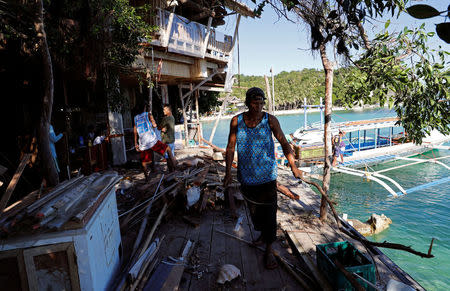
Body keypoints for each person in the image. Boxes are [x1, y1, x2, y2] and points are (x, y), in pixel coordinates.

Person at [223, 87, 303, 270]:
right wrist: (228, 172)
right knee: (254, 213)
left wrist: (293, 166)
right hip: (246, 177)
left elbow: (284, 143)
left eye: (261, 103)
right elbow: (230, 147)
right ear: (247, 103)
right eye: (254, 103)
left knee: (269, 213)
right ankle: (262, 235)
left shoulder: (270, 120)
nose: (258, 107)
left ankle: (269, 249)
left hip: (267, 177)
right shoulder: (236, 121)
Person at [134, 103, 176, 178]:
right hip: (151, 140)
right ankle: (175, 168)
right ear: (144, 107)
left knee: (145, 162)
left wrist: (135, 143)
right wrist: (153, 123)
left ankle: (147, 178)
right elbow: (155, 125)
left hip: (143, 143)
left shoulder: (135, 118)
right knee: (168, 149)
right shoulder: (148, 114)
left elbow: (135, 131)